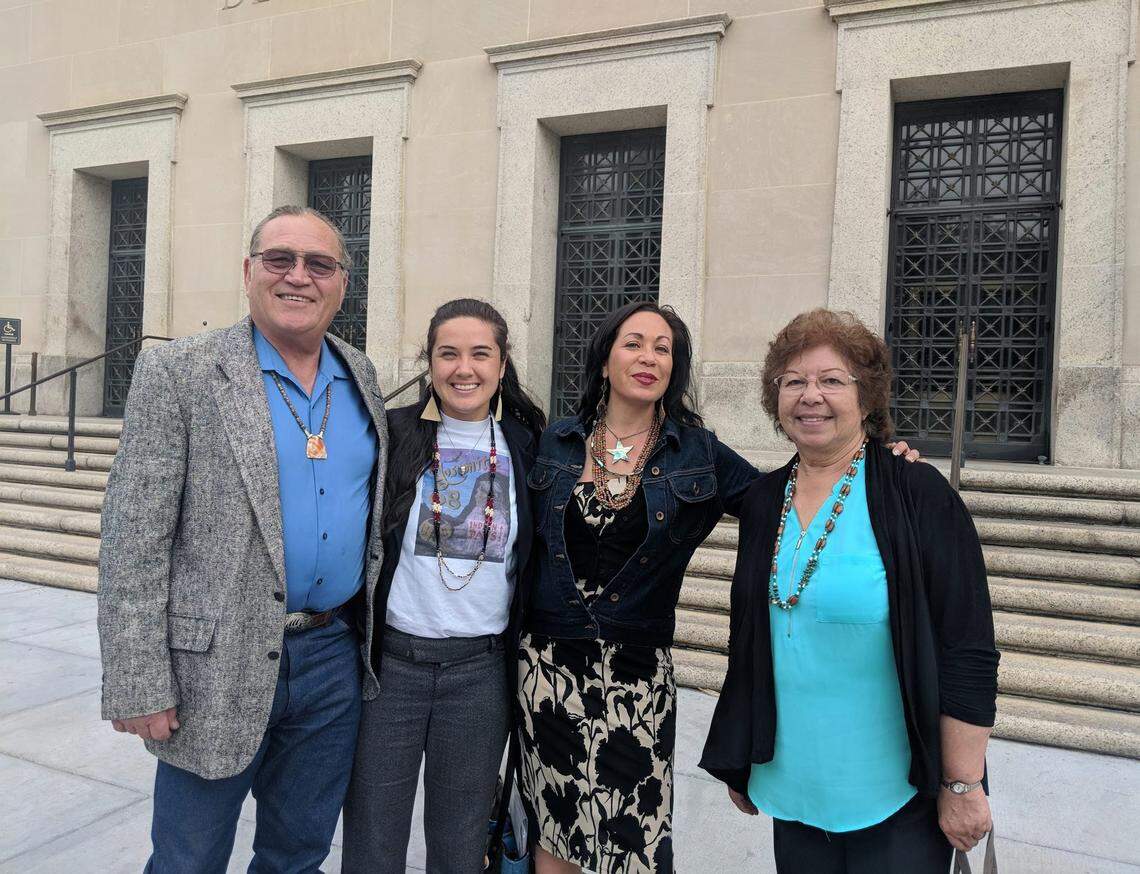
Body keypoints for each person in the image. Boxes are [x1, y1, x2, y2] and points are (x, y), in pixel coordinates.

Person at [518, 301, 921, 873]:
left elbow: (782, 498)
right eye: (634, 343)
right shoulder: (552, 442)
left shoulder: (696, 453)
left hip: (635, 675)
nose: (649, 357)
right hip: (547, 669)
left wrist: (869, 461)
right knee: (555, 833)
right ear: (605, 360)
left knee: (633, 839)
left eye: (664, 348)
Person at [97, 205, 387, 872]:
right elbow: (133, 537)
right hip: (213, 665)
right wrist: (139, 679)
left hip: (332, 660)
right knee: (188, 858)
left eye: (319, 264)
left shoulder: (361, 376)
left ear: (343, 281)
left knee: (297, 853)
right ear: (249, 271)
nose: (298, 278)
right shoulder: (183, 371)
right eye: (280, 259)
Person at [699, 308, 999, 873]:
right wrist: (742, 753)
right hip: (794, 785)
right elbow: (750, 645)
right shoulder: (764, 503)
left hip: (896, 795)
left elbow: (967, 647)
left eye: (831, 380)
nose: (811, 396)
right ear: (775, 398)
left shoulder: (915, 493)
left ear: (867, 398)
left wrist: (962, 783)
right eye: (795, 382)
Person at [342, 299, 546, 873]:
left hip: (480, 675)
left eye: (481, 353)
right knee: (372, 840)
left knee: (460, 847)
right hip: (392, 672)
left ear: (502, 365)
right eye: (448, 353)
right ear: (428, 362)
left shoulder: (530, 445)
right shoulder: (391, 434)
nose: (465, 368)